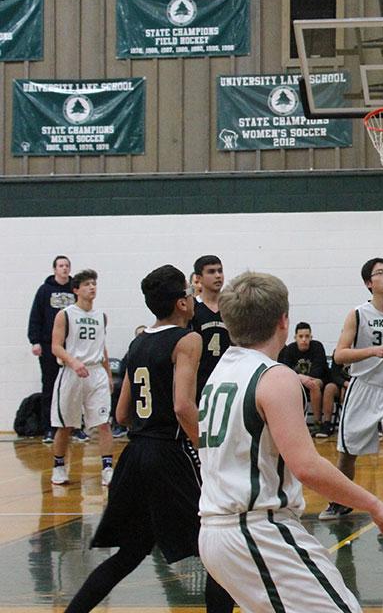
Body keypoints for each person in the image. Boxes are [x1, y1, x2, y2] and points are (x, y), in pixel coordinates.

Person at [198, 271, 383, 612]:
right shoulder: (275, 376)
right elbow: (306, 466)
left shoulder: (220, 371)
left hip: (214, 531)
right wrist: (374, 503)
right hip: (257, 529)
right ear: (284, 321)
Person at [63, 265, 234, 613]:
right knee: (218, 551)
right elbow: (184, 406)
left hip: (135, 455)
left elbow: (122, 414)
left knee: (129, 554)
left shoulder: (138, 342)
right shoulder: (188, 339)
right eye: (188, 292)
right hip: (167, 453)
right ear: (182, 304)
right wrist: (207, 449)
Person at [321, 258, 383, 530]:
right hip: (363, 387)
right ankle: (341, 501)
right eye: (380, 273)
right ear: (368, 283)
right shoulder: (358, 314)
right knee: (346, 454)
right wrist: (371, 351)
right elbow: (339, 355)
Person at [49, 269, 115, 486]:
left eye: (94, 283)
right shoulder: (65, 314)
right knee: (65, 425)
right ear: (76, 289)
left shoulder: (101, 316)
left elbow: (101, 347)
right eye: (87, 284)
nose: (92, 287)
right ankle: (59, 466)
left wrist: (106, 374)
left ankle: (107, 468)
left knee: (104, 423)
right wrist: (74, 362)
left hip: (95, 373)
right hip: (71, 372)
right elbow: (56, 347)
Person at [28, 255, 75, 444]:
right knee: (50, 386)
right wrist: (35, 341)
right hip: (49, 346)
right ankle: (49, 428)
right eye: (60, 266)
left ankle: (73, 428)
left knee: (73, 387)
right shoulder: (45, 290)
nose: (64, 268)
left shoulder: (75, 289)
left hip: (71, 346)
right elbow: (35, 316)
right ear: (54, 269)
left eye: (66, 266)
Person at [278, 322, 339, 437]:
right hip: (299, 381)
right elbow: (285, 369)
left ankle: (318, 423)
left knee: (313, 384)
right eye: (301, 337)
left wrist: (304, 378)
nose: (304, 340)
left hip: (319, 380)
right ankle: (292, 423)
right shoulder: (290, 349)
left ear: (311, 337)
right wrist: (300, 378)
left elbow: (318, 371)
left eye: (307, 336)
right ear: (295, 337)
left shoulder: (317, 347)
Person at [191, 255, 232, 400]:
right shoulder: (191, 308)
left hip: (228, 378)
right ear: (199, 278)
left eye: (220, 271)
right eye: (211, 272)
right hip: (199, 381)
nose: (218, 276)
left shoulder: (232, 307)